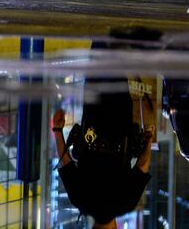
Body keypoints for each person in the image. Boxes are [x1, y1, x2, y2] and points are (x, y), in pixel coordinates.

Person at [52, 79, 155, 228]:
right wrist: (57, 129)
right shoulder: (80, 201)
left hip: (120, 121)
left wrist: (148, 141)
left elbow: (143, 164)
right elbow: (64, 162)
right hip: (92, 123)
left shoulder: (125, 204)